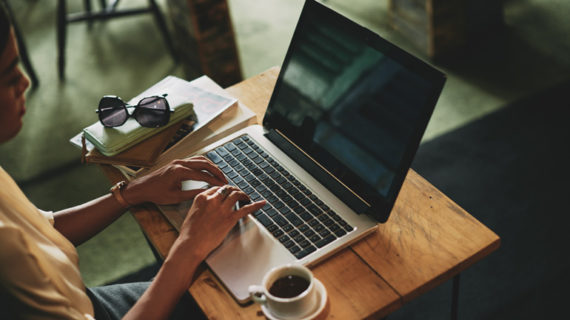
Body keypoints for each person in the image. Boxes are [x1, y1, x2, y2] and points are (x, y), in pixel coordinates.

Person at [0, 5, 265, 319]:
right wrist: (189, 246)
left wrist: (132, 192)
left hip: (80, 298)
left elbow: (43, 230)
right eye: (8, 75)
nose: (25, 83)